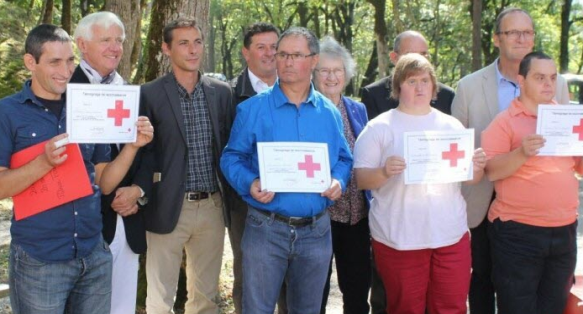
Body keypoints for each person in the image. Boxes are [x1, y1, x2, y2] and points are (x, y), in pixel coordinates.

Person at [0, 24, 152, 314]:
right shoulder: (7, 113)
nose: (65, 69)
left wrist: (133, 146)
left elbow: (105, 183)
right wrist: (43, 162)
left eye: (69, 60)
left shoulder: (86, 106)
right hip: (39, 259)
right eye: (54, 61)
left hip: (92, 253)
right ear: (30, 62)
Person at [220, 27, 352, 314]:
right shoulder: (252, 109)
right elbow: (231, 158)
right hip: (266, 229)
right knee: (257, 309)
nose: (287, 62)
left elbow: (344, 158)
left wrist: (338, 180)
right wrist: (250, 182)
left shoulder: (328, 113)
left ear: (313, 60)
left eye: (296, 55)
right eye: (282, 54)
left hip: (316, 232)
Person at [451, 8, 570, 314]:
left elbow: (565, 143)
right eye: (513, 32)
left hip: (545, 215)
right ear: (496, 39)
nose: (521, 38)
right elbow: (458, 144)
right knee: (483, 282)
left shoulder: (556, 86)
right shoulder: (469, 86)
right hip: (486, 202)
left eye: (527, 32)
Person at [353, 53, 486, 314]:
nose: (420, 87)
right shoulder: (379, 127)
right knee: (405, 309)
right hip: (400, 238)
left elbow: (470, 178)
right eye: (412, 81)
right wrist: (383, 171)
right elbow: (360, 180)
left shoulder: (450, 126)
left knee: (451, 307)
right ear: (398, 86)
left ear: (434, 86)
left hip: (449, 235)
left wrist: (477, 167)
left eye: (425, 80)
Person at [141, 18, 234, 314]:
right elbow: (143, 153)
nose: (193, 50)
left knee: (205, 298)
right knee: (159, 298)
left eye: (197, 42)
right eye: (183, 43)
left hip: (211, 207)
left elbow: (230, 148)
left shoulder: (221, 92)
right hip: (167, 204)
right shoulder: (149, 94)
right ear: (166, 48)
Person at [481, 51, 579, 314]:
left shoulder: (569, 119)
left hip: (564, 230)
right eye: (539, 77)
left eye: (552, 77)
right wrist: (522, 153)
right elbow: (490, 171)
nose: (548, 84)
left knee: (554, 308)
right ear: (521, 80)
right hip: (518, 233)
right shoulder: (505, 122)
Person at [70, 11, 151, 314]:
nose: (115, 47)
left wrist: (138, 191)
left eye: (119, 40)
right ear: (82, 44)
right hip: (82, 224)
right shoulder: (63, 89)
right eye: (106, 40)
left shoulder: (131, 90)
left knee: (121, 307)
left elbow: (147, 149)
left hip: (126, 219)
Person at [313, 36, 371, 314]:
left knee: (358, 290)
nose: (332, 77)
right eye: (324, 70)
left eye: (338, 70)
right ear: (313, 74)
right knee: (316, 291)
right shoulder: (307, 109)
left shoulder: (358, 109)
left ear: (346, 75)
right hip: (320, 216)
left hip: (356, 216)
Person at [228, 21, 279, 314]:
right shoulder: (229, 95)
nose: (269, 53)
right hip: (246, 204)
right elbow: (227, 152)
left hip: (292, 201)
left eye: (275, 47)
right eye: (261, 47)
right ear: (246, 53)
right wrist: (249, 183)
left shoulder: (297, 89)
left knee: (289, 282)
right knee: (249, 280)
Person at [360, 30, 454, 121]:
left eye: (423, 54)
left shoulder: (446, 96)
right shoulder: (374, 94)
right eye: (410, 54)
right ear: (394, 57)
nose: (417, 60)